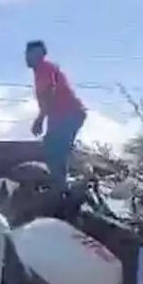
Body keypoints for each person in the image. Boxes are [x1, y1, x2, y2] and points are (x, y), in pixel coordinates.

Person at [25, 40, 86, 186]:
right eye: (26, 54)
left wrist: (40, 119)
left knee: (54, 149)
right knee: (54, 148)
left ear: (39, 54)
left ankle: (62, 188)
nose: (26, 57)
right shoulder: (41, 72)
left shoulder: (44, 68)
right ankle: (63, 185)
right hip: (64, 115)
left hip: (68, 113)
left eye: (30, 53)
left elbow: (50, 93)